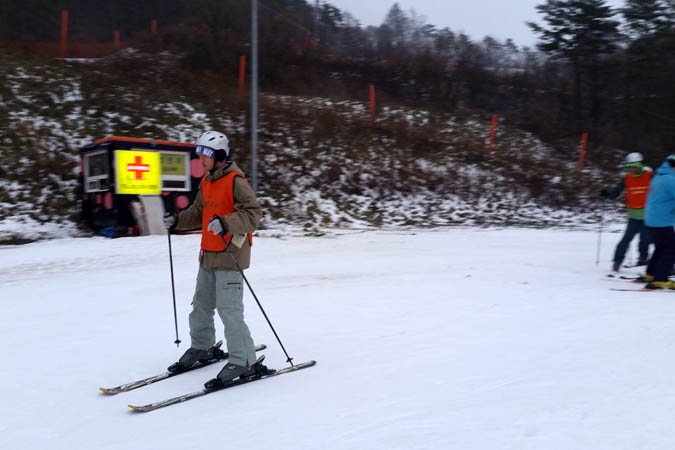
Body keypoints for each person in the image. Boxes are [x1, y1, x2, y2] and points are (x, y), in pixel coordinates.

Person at [163, 130, 264, 382]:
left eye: (205, 154)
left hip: (230, 255)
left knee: (229, 311)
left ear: (219, 155)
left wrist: (227, 223)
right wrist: (176, 220)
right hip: (208, 254)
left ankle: (245, 361)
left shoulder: (235, 180)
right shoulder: (207, 181)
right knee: (201, 306)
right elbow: (198, 212)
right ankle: (202, 347)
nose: (201, 159)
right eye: (199, 154)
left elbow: (253, 214)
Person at [600, 152, 653, 272]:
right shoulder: (627, 178)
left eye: (635, 166)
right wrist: (608, 195)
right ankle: (617, 261)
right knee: (625, 240)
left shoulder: (649, 175)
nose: (632, 169)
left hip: (648, 215)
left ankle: (643, 259)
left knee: (645, 239)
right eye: (630, 166)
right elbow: (617, 191)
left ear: (640, 165)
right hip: (633, 216)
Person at [642, 155, 675, 289]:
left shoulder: (658, 177)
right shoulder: (670, 180)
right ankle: (660, 278)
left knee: (661, 248)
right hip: (661, 221)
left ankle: (651, 273)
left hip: (652, 219)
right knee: (670, 249)